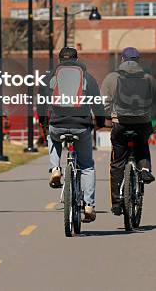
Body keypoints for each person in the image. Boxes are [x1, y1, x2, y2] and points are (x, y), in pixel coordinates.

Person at [38, 47, 105, 222]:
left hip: (57, 124)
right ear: (76, 60)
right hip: (81, 126)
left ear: (59, 60)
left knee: (52, 138)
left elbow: (41, 102)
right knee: (87, 166)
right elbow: (97, 102)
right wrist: (99, 122)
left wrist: (44, 122)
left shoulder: (49, 77)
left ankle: (55, 169)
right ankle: (89, 205)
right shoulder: (87, 78)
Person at [101, 47, 156, 216]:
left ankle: (116, 203)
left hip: (120, 124)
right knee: (142, 145)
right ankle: (144, 170)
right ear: (138, 61)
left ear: (122, 60)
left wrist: (107, 118)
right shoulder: (149, 79)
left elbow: (104, 102)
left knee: (117, 163)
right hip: (142, 122)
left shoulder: (111, 78)